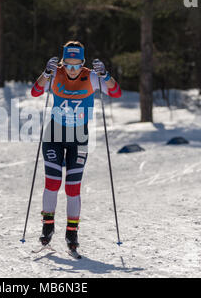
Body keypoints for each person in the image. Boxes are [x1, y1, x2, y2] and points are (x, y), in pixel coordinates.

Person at [31, 40, 122, 252]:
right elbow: (35, 92)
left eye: (76, 65)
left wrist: (105, 76)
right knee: (52, 183)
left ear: (83, 63)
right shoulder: (55, 73)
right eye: (68, 65)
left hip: (79, 137)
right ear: (63, 63)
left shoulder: (91, 76)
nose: (72, 70)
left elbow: (116, 93)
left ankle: (72, 232)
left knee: (73, 187)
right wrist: (45, 73)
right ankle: (48, 226)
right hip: (54, 134)